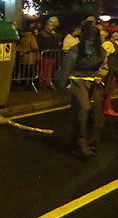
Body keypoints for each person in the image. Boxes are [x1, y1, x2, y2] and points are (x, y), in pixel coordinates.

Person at [58, 21, 108, 158]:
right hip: (77, 80)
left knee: (98, 113)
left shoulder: (101, 52)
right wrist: (65, 84)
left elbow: (104, 67)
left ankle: (92, 142)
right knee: (84, 108)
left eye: (92, 40)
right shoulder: (76, 50)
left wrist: (100, 76)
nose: (90, 43)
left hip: (94, 81)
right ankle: (82, 141)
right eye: (88, 39)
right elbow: (67, 67)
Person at [37, 16, 61, 88]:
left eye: (53, 26)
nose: (52, 27)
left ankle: (47, 82)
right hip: (45, 55)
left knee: (49, 70)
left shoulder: (54, 35)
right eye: (50, 26)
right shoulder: (42, 34)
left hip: (52, 55)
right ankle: (43, 83)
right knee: (44, 70)